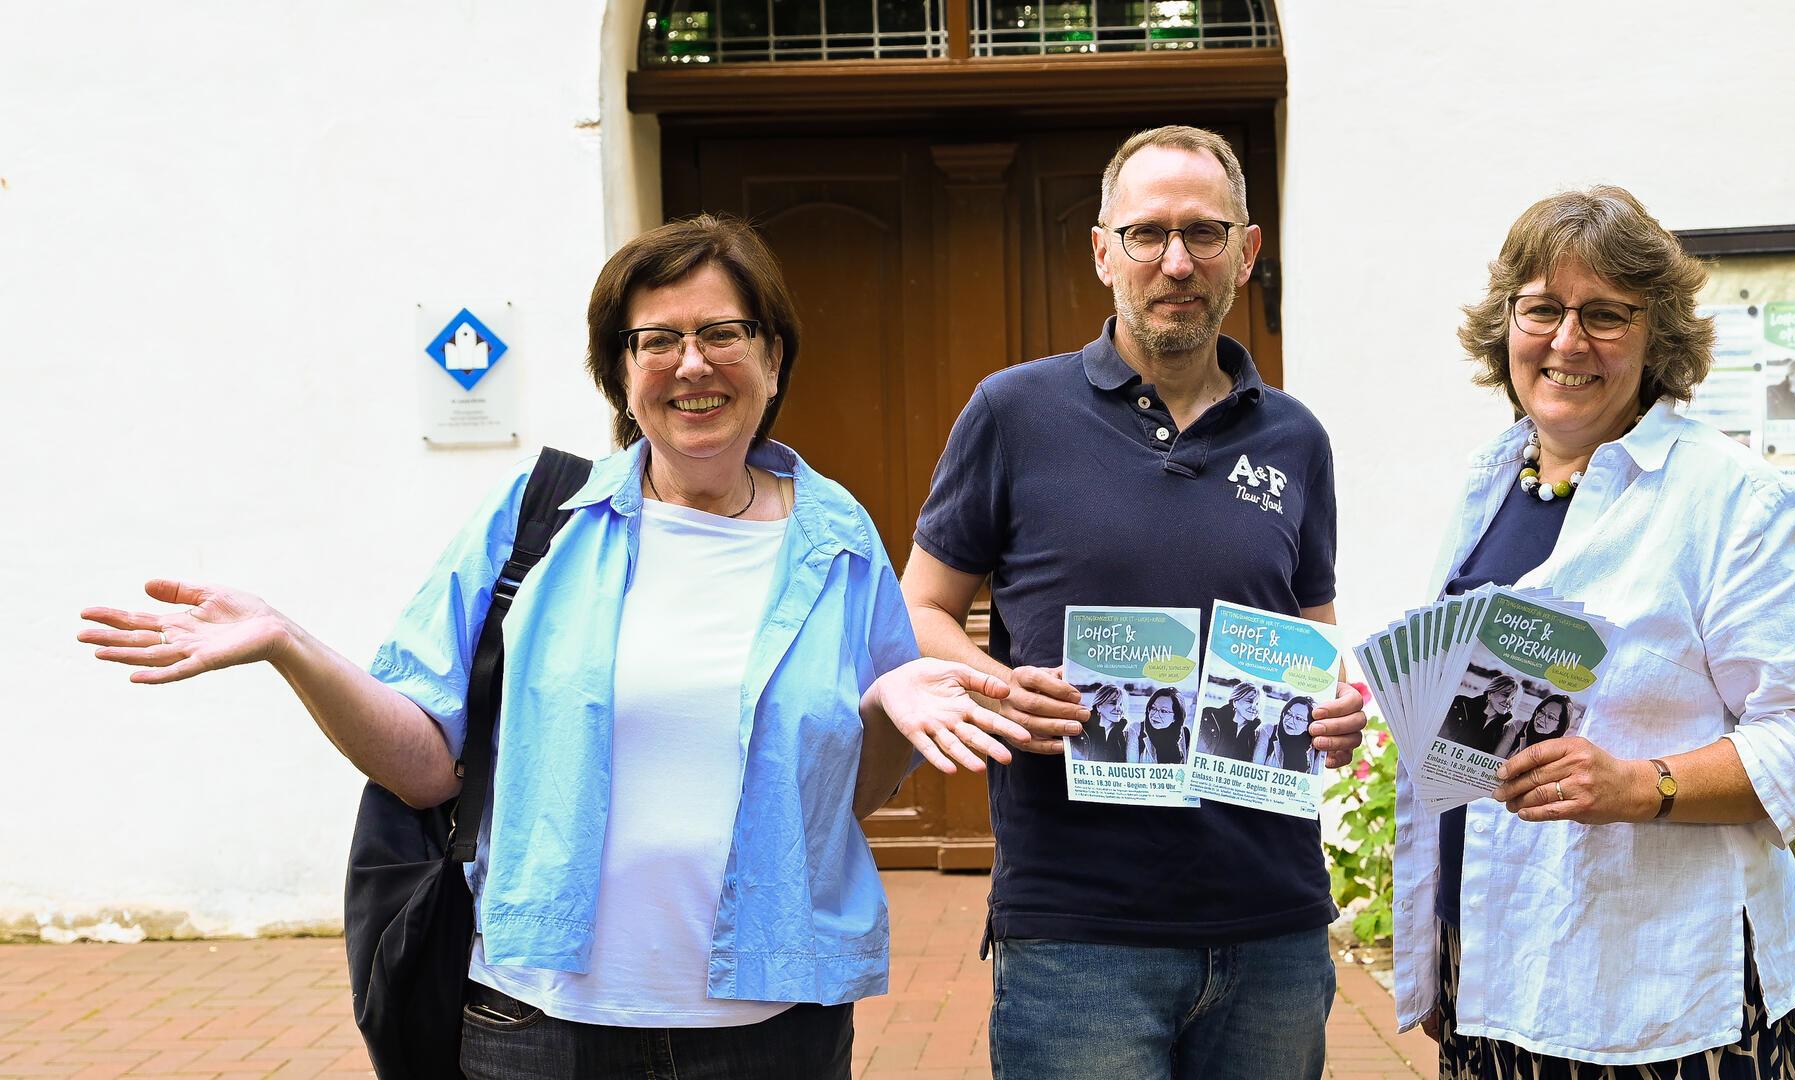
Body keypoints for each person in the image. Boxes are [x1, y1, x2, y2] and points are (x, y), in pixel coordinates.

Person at [77, 214, 1024, 1080]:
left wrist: (885, 708)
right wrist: (291, 646)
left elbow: (847, 796)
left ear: (772, 359)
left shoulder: (841, 541)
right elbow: (425, 768)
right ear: (620, 372)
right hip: (538, 1022)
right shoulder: (539, 523)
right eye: (656, 340)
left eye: (722, 334)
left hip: (771, 1027)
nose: (692, 364)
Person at [901, 125, 1367, 1080]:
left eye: (1204, 232)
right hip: (1080, 930)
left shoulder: (1296, 438)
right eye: (1147, 232)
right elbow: (921, 608)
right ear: (1104, 251)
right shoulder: (1013, 411)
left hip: (1272, 920)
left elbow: (1310, 629)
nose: (1177, 260)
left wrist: (1334, 704)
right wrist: (996, 689)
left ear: (1247, 249)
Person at [1397, 186, 1795, 1076]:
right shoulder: (1492, 477)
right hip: (1492, 967)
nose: (1568, 342)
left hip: (1663, 998)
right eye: (1542, 309)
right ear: (1507, 324)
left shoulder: (1730, 498)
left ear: (1658, 339)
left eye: (1605, 315)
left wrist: (1638, 785)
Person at [1436, 674, 1518, 756]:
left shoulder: (1506, 728)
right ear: (1490, 693)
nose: (1509, 702)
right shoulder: (1461, 705)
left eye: (1512, 698)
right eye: (1505, 695)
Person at [1195, 679, 1263, 760]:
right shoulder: (1210, 719)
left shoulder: (1256, 734)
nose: (1254, 707)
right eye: (1249, 701)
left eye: (1258, 704)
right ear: (1235, 702)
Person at [1257, 694, 1323, 774]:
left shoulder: (1315, 747)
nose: (1290, 721)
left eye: (1299, 718)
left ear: (1308, 725)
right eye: (1288, 713)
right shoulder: (1268, 731)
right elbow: (1256, 766)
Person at [1072, 683, 1130, 763]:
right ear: (1098, 706)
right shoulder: (1080, 730)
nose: (1118, 708)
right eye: (1113, 703)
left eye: (1121, 704)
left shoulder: (1126, 734)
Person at [1136, 686, 1188, 764]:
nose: (1155, 715)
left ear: (1175, 717)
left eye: (1163, 711)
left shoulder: (1185, 734)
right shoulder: (1137, 730)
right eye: (1153, 708)